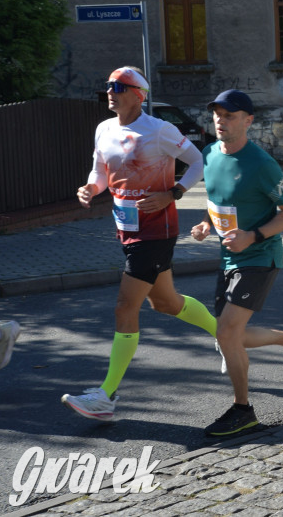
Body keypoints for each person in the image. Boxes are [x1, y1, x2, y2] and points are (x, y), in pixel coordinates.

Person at [62, 67, 214, 421]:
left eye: (118, 87)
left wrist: (173, 193)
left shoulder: (159, 130)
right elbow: (100, 172)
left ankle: (107, 395)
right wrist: (91, 188)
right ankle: (225, 334)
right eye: (108, 86)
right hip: (126, 228)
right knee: (166, 302)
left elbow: (197, 162)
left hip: (156, 231)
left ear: (138, 94)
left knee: (124, 307)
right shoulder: (104, 129)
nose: (110, 92)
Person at [190, 89, 283, 437]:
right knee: (230, 336)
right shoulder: (210, 153)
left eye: (229, 115)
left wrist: (253, 236)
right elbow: (218, 199)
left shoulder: (260, 164)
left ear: (248, 121)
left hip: (259, 255)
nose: (220, 120)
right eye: (217, 114)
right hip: (229, 256)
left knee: (227, 332)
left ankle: (243, 410)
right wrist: (205, 224)